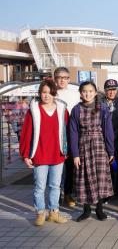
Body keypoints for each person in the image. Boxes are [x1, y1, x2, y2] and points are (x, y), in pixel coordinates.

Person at [19, 80, 69, 226]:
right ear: (40, 93)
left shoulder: (62, 110)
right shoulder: (33, 110)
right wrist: (25, 155)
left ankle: (54, 212)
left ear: (54, 93)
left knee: (55, 186)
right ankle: (40, 213)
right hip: (39, 154)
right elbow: (26, 133)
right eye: (43, 92)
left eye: (49, 92)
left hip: (57, 154)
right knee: (39, 187)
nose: (46, 95)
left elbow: (67, 132)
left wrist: (67, 150)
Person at [69, 81, 115, 222]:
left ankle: (100, 209)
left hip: (100, 145)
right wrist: (75, 154)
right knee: (85, 178)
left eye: (90, 91)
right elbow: (73, 132)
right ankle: (86, 210)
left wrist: (110, 150)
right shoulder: (76, 109)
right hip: (83, 146)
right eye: (84, 91)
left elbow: (108, 130)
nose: (87, 93)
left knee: (100, 178)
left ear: (95, 93)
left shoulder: (103, 108)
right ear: (80, 93)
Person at [54, 67, 80, 207]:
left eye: (65, 77)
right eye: (59, 77)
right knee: (56, 166)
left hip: (71, 133)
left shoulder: (75, 94)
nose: (62, 80)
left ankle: (68, 194)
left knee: (70, 167)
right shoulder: (50, 93)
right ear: (55, 79)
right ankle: (55, 194)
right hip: (54, 135)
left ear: (69, 79)